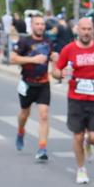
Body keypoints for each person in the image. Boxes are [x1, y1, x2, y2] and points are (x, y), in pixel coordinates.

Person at [52, 17, 94, 184]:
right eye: (83, 29)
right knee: (77, 135)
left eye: (89, 29)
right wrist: (61, 74)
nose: (86, 32)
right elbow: (56, 71)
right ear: (77, 30)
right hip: (76, 99)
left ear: (93, 30)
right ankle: (81, 169)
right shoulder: (69, 50)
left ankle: (89, 143)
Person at [10, 14, 58, 162]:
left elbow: (53, 59)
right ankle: (20, 131)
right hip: (27, 83)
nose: (40, 27)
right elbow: (12, 58)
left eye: (42, 24)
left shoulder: (49, 42)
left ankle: (42, 148)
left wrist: (56, 58)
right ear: (32, 26)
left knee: (44, 115)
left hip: (43, 83)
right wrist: (33, 59)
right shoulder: (24, 41)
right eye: (37, 24)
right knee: (24, 113)